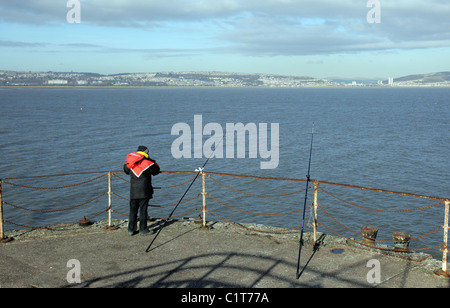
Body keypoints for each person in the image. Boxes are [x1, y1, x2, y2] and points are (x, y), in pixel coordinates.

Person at [123, 145, 160, 236]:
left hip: (133, 191)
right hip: (144, 190)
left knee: (133, 211)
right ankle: (143, 230)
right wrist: (151, 160)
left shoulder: (130, 162)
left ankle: (131, 230)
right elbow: (156, 171)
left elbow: (126, 170)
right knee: (143, 210)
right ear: (146, 153)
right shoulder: (148, 162)